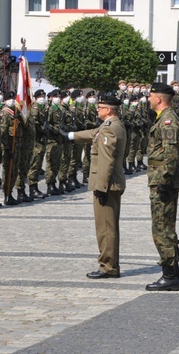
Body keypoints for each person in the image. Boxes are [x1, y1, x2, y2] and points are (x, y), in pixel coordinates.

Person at [67, 92, 126, 279]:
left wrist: (101, 187)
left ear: (108, 110)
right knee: (108, 226)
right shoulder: (112, 125)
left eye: (100, 108)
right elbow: (94, 134)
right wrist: (71, 135)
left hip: (107, 185)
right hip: (111, 183)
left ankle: (108, 266)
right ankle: (110, 263)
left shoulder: (109, 128)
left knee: (105, 229)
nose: (97, 110)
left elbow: (107, 161)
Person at [145, 82, 179, 291]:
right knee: (162, 227)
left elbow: (171, 154)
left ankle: (170, 276)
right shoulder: (163, 119)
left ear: (158, 99)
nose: (148, 99)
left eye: (150, 96)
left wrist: (165, 180)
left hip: (163, 181)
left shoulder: (168, 121)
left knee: (163, 229)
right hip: (161, 179)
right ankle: (172, 273)